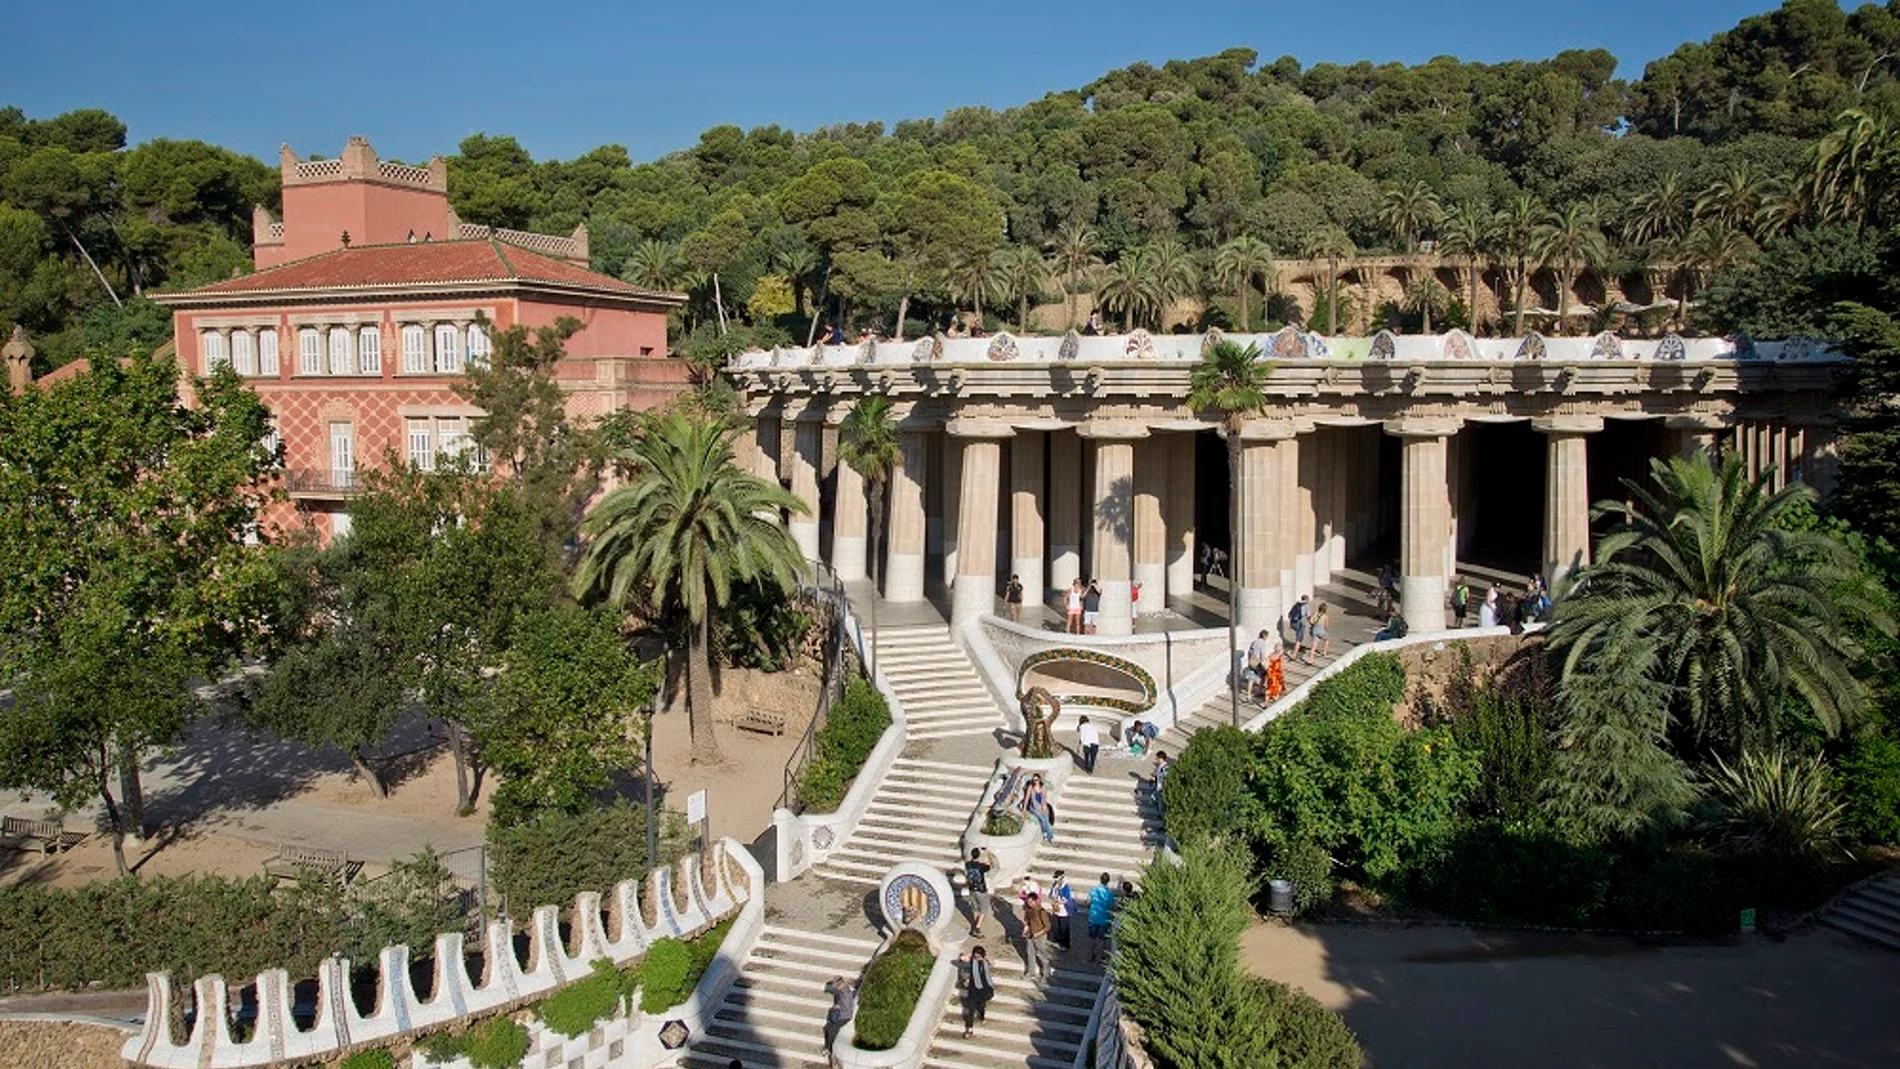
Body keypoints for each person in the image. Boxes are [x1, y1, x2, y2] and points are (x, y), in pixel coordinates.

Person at [959, 945, 994, 1038]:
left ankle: (982, 1016)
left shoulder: (985, 962)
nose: (977, 958)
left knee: (981, 1007)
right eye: (976, 956)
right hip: (973, 989)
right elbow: (962, 958)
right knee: (971, 1010)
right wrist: (971, 956)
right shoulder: (972, 960)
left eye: (978, 956)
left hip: (984, 989)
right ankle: (969, 1029)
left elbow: (993, 963)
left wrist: (985, 957)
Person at [824, 976, 858, 1065]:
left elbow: (846, 1007)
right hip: (841, 1015)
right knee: (827, 1028)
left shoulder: (846, 993)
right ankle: (828, 1048)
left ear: (841, 984)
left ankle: (830, 1050)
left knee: (832, 1031)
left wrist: (838, 1006)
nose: (835, 987)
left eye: (836, 985)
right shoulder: (842, 990)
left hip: (845, 1016)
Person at [1021, 892, 1053, 982]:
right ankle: (1031, 973)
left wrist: (1038, 934)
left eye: (1031, 902)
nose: (1029, 903)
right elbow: (1027, 921)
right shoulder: (1028, 910)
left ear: (1036, 901)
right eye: (1028, 902)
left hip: (1040, 936)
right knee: (1030, 954)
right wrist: (1025, 929)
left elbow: (1047, 926)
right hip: (1030, 935)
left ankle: (1046, 974)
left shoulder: (1041, 911)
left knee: (1042, 955)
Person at [963, 847, 994, 937]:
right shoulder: (981, 866)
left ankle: (975, 924)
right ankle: (977, 928)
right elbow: (991, 865)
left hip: (971, 889)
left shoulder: (968, 864)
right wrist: (988, 854)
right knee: (984, 909)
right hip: (981, 890)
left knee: (976, 909)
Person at [1087, 872, 1116, 962]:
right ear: (1108, 881)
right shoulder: (1108, 893)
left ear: (1100, 879)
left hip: (1093, 917)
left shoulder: (1093, 890)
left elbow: (1088, 902)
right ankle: (1101, 957)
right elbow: (1112, 906)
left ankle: (1092, 955)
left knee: (1093, 938)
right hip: (1104, 918)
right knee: (1102, 939)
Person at [1025, 776, 1055, 843]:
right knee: (1042, 819)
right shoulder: (1031, 788)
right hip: (1033, 807)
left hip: (1041, 806)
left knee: (1046, 820)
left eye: (1036, 780)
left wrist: (1043, 807)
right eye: (1033, 780)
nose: (1035, 781)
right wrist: (1024, 809)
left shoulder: (1042, 788)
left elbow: (1044, 799)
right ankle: (1048, 835)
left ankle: (1047, 834)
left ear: (1039, 780)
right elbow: (1028, 800)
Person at [1050, 870, 1075, 950]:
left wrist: (1058, 901)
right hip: (1056, 909)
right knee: (1057, 926)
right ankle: (1059, 940)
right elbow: (1051, 894)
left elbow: (1067, 899)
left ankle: (1065, 944)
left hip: (1064, 911)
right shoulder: (1055, 885)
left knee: (1064, 928)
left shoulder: (1065, 887)